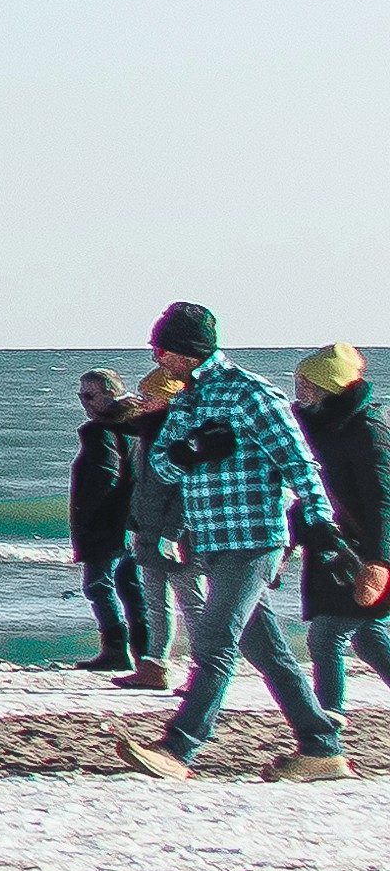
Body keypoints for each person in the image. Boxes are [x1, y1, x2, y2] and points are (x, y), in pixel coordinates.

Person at [124, 302, 350, 781]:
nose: (155, 357)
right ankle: (320, 747)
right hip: (210, 542)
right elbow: (162, 467)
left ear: (185, 350)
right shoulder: (188, 400)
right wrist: (191, 450)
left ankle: (178, 747)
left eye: (160, 347)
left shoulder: (251, 395)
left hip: (254, 540)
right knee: (268, 652)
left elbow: (299, 463)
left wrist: (321, 520)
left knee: (213, 644)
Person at [298, 343, 383, 729]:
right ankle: (326, 717)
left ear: (327, 385)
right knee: (367, 636)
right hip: (336, 546)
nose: (299, 388)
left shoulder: (366, 430)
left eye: (307, 381)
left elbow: (382, 499)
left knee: (327, 634)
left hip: (365, 551)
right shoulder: (321, 426)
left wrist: (380, 560)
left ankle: (326, 720)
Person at [72, 368, 168, 676]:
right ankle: (144, 653)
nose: (84, 402)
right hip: (133, 521)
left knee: (98, 585)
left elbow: (106, 476)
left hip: (107, 524)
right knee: (131, 587)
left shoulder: (100, 432)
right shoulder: (137, 427)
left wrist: (87, 519)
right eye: (81, 395)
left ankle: (115, 650)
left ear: (111, 395)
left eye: (90, 395)